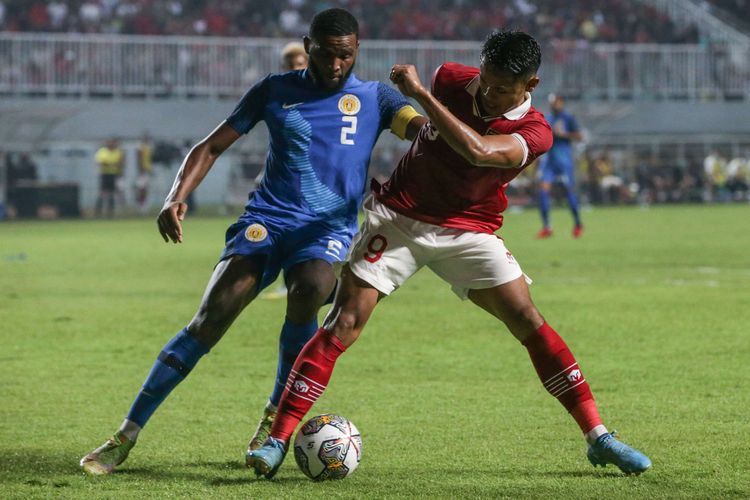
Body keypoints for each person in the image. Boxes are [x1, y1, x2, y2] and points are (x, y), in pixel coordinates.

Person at [248, 30, 651, 479]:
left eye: (504, 89)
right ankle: (278, 439)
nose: (491, 94)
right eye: (487, 81)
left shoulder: (535, 131)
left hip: (469, 231)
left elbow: (478, 152)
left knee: (529, 321)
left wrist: (419, 95)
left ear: (530, 86)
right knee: (343, 322)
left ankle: (599, 437)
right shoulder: (451, 79)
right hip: (398, 219)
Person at [79, 8, 425, 475]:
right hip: (267, 221)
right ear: (308, 46)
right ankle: (125, 434)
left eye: (344, 54)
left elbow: (424, 134)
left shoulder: (378, 98)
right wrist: (176, 196)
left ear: (357, 49)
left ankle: (272, 423)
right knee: (209, 319)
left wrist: (427, 117)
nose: (335, 64)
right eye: (325, 53)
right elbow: (210, 146)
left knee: (309, 292)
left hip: (326, 230)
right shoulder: (274, 89)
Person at [536, 94, 583, 238]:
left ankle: (577, 224)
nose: (553, 105)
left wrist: (563, 134)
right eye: (552, 103)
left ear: (561, 102)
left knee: (569, 192)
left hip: (564, 161)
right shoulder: (547, 118)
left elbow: (579, 136)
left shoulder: (568, 118)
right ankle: (547, 226)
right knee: (543, 191)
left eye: (556, 102)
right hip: (550, 161)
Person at [94, 138, 125, 217]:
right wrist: (112, 164)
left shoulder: (118, 152)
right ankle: (98, 212)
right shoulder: (102, 151)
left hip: (114, 175)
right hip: (105, 174)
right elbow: (102, 162)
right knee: (103, 193)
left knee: (112, 194)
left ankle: (110, 213)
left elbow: (120, 163)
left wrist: (112, 165)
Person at [135, 134, 154, 214]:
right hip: (143, 172)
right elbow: (139, 160)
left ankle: (144, 206)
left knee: (146, 189)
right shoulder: (140, 147)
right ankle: (140, 205)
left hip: (148, 171)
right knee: (141, 189)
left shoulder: (149, 147)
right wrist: (141, 170)